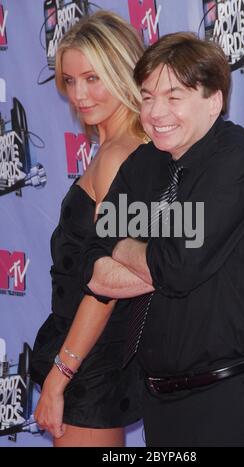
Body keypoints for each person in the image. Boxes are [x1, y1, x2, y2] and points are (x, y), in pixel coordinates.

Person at [81, 32, 244, 447]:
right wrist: (143, 252)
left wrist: (128, 245)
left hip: (228, 402)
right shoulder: (144, 162)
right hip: (158, 403)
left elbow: (175, 268)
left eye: (173, 97)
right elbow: (96, 261)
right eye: (147, 97)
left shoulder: (234, 159)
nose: (156, 113)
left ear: (213, 101)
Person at [30, 10, 146, 447]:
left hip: (90, 367)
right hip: (85, 360)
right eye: (70, 80)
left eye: (93, 78)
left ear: (123, 72)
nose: (79, 94)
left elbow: (108, 282)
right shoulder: (112, 149)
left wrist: (60, 377)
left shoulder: (121, 156)